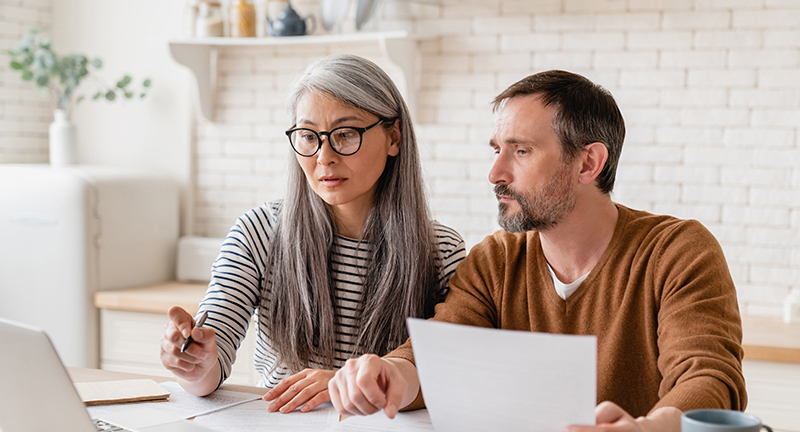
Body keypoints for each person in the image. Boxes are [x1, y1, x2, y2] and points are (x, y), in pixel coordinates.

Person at [327, 70, 746, 432]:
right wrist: (389, 374)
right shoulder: (494, 260)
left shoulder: (677, 252)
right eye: (497, 150)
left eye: (521, 151)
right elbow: (437, 355)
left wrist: (648, 427)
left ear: (588, 163)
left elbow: (710, 380)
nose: (496, 173)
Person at [159, 54, 465, 414]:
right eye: (308, 136)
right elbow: (210, 366)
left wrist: (344, 386)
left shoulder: (441, 250)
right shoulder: (260, 231)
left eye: (346, 135)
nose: (324, 157)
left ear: (393, 137)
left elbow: (448, 375)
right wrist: (193, 361)